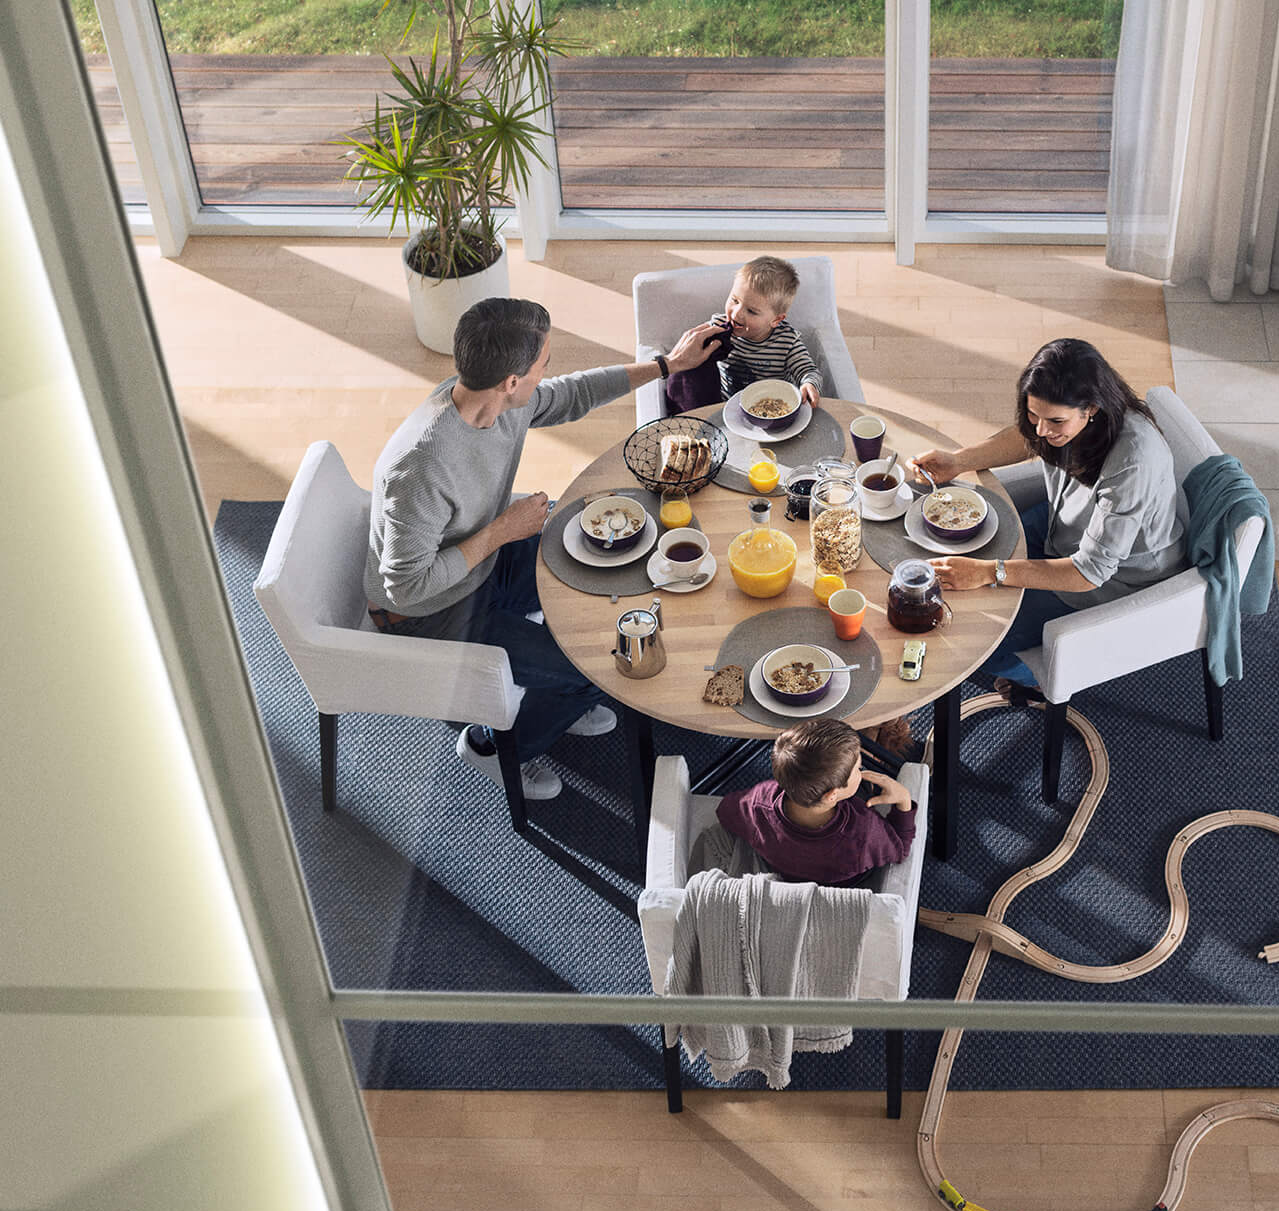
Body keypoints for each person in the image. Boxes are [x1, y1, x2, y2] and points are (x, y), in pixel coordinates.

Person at [365, 297, 714, 801]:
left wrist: (667, 366)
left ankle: (562, 692)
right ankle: (492, 748)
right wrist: (505, 529)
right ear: (510, 381)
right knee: (604, 666)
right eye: (543, 363)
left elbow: (571, 394)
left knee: (610, 574)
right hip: (430, 612)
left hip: (477, 563)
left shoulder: (496, 401)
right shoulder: (421, 466)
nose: (548, 371)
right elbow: (405, 586)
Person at [910, 337, 1187, 688]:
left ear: (1091, 409)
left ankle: (1042, 678)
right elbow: (1028, 437)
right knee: (960, 567)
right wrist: (958, 461)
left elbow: (1090, 572)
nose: (1042, 431)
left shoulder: (1133, 461)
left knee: (975, 647)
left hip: (1115, 578)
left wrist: (989, 572)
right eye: (1033, 415)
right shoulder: (1067, 421)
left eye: (1055, 421)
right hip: (1063, 526)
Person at [717, 719, 916, 887]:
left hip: (791, 874)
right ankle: (877, 734)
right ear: (832, 795)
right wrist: (903, 800)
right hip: (845, 882)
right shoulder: (863, 830)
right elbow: (900, 848)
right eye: (858, 767)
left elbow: (725, 810)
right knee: (866, 787)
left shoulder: (759, 801)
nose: (860, 770)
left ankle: (872, 735)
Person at [709, 256, 824, 407]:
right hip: (728, 405)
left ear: (776, 320)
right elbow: (690, 351)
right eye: (735, 300)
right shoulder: (717, 327)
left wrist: (810, 384)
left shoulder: (787, 342)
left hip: (773, 408)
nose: (736, 314)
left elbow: (808, 371)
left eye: (751, 311)